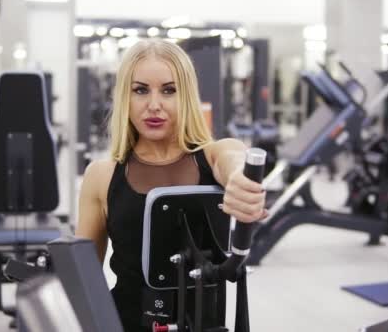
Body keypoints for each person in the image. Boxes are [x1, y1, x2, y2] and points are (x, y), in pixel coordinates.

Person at [76, 39, 267, 332]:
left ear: (186, 96)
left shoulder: (212, 156)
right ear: (125, 97)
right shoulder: (101, 176)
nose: (154, 105)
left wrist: (240, 180)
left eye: (169, 90)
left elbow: (232, 158)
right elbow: (84, 283)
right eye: (140, 90)